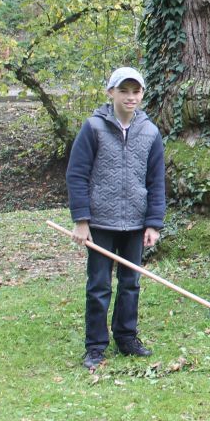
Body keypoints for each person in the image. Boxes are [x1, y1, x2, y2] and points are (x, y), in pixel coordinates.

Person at [65, 66, 166, 369]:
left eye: (136, 91)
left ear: (142, 94)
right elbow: (77, 174)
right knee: (99, 285)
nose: (130, 97)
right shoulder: (93, 128)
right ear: (111, 93)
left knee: (130, 282)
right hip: (100, 222)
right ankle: (96, 346)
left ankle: (126, 337)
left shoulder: (150, 132)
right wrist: (81, 220)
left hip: (135, 222)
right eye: (124, 91)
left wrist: (153, 223)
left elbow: (156, 181)